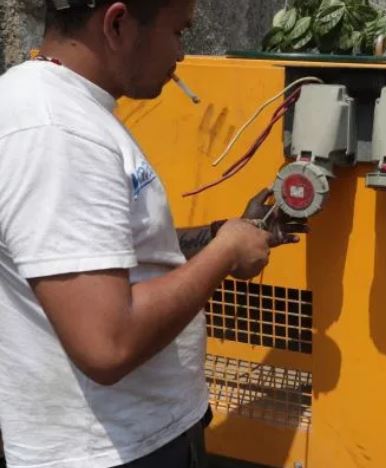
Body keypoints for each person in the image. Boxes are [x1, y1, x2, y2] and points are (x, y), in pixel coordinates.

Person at [0, 1, 302, 467]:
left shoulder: (65, 108)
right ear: (117, 24)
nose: (180, 53)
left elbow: (113, 252)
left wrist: (221, 234)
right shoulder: (57, 133)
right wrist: (224, 253)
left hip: (143, 434)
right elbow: (107, 344)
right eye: (178, 31)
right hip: (110, 453)